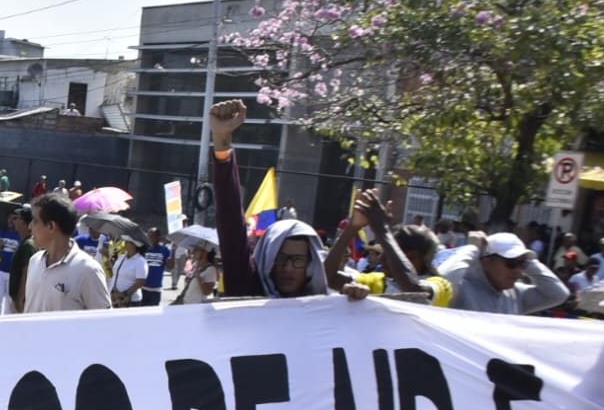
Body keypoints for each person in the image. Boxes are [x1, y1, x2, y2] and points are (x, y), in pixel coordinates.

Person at [209, 99, 329, 299]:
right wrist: (222, 140)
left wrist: (355, 301)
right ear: (267, 257)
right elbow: (231, 224)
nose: (288, 268)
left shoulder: (324, 306)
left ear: (311, 263)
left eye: (298, 260)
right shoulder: (247, 288)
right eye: (280, 258)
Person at [326, 190, 454, 306]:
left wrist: (382, 230)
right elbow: (327, 279)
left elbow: (416, 293)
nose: (383, 260)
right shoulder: (379, 281)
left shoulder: (441, 286)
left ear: (419, 258)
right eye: (385, 252)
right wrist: (353, 227)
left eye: (391, 255)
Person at [436, 231, 568, 315]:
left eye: (521, 264)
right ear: (486, 261)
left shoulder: (516, 294)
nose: (518, 271)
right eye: (510, 263)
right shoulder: (463, 288)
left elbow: (559, 295)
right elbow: (442, 282)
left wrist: (528, 261)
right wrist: (473, 248)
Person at [21, 193, 112, 313]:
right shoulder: (35, 260)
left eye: (35, 221)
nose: (30, 226)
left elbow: (104, 322)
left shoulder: (89, 270)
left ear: (51, 226)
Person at [108, 229, 148, 307]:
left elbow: (141, 282)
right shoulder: (122, 257)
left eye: (127, 242)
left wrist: (124, 294)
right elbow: (118, 273)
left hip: (130, 301)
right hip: (116, 299)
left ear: (134, 245)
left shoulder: (140, 261)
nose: (125, 243)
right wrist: (112, 264)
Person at [141, 229, 171, 306]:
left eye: (153, 236)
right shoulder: (143, 249)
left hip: (156, 289)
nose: (151, 239)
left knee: (152, 313)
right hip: (142, 287)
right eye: (149, 236)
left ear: (159, 237)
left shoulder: (165, 250)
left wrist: (173, 253)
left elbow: (170, 267)